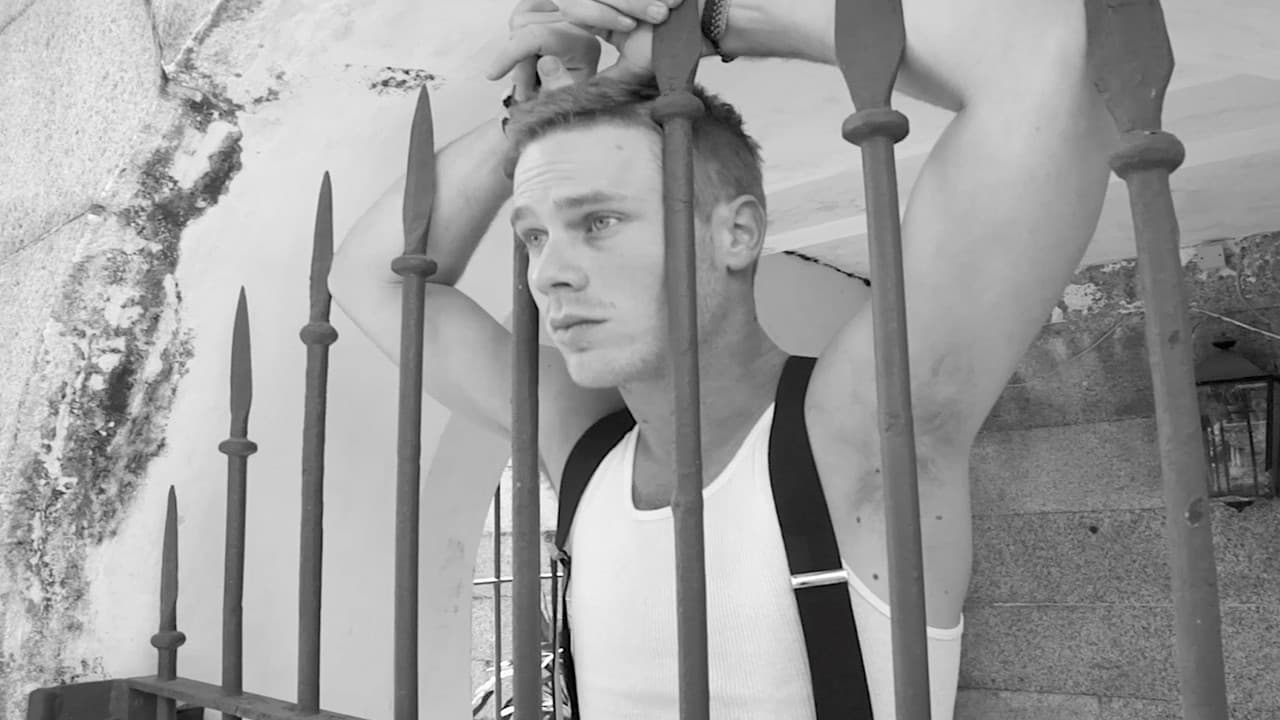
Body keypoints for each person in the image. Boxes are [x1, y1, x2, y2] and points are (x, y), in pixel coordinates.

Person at [329, 0, 1116, 717]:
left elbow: (1043, 57)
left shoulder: (852, 434)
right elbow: (370, 278)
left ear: (736, 234)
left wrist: (704, 20)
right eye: (533, 234)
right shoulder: (587, 450)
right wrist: (538, 118)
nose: (549, 273)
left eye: (598, 221)